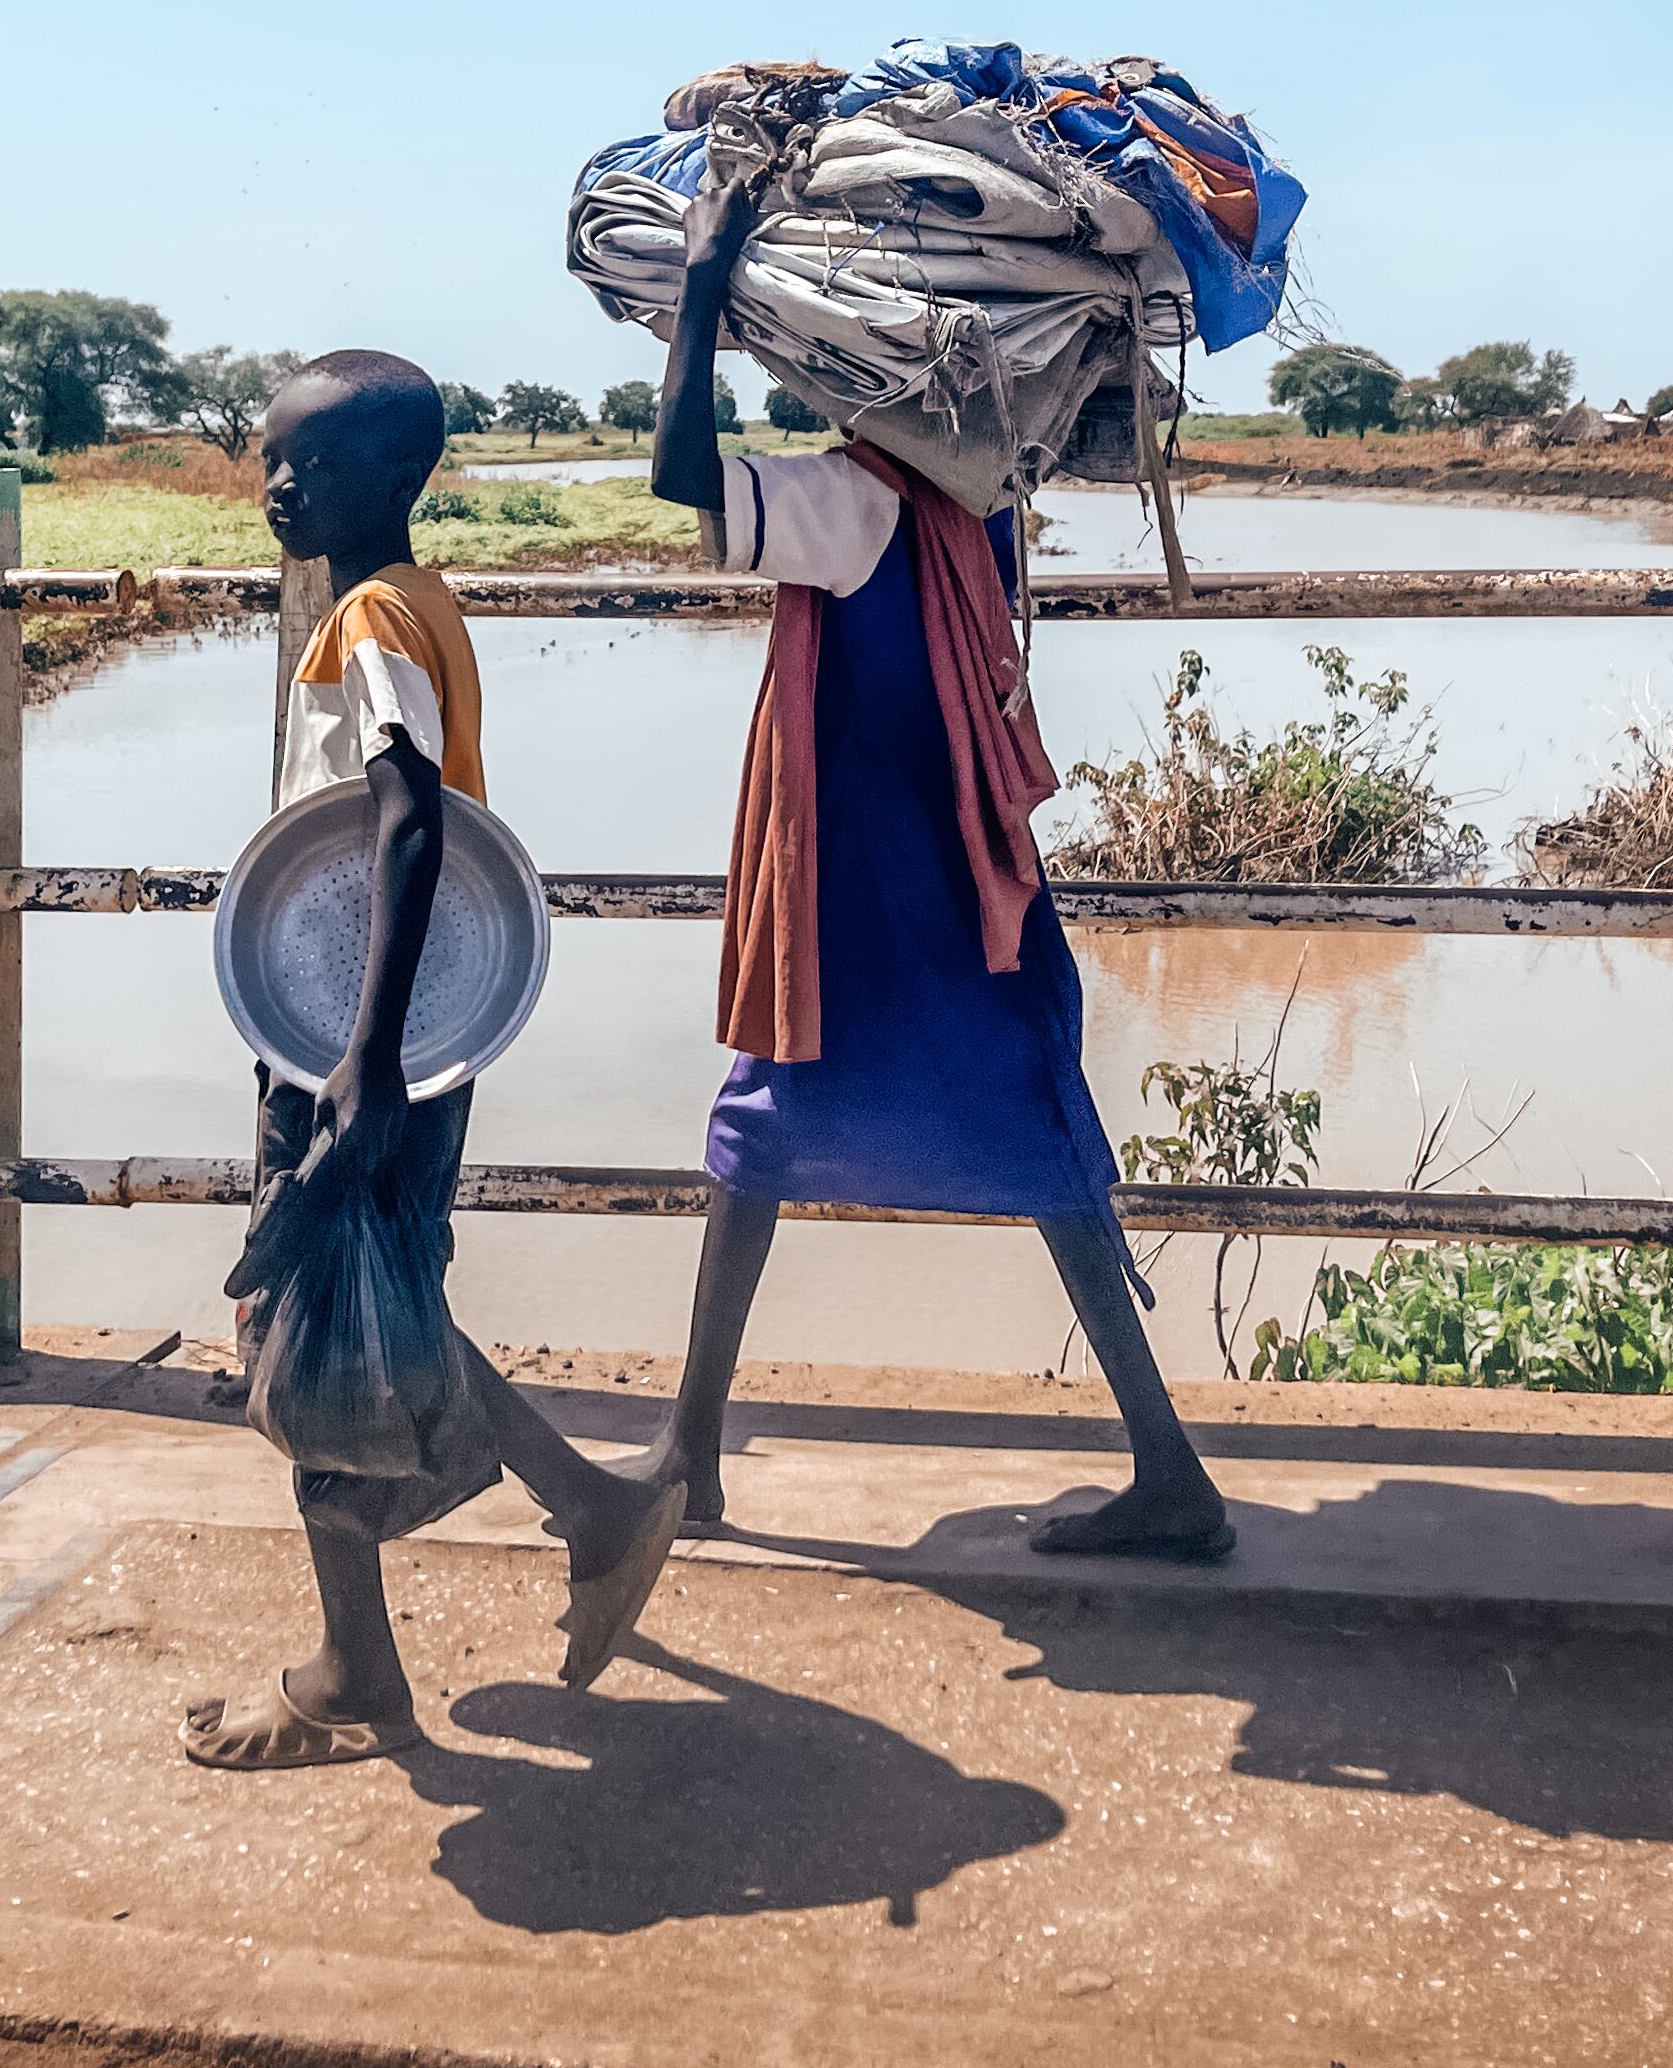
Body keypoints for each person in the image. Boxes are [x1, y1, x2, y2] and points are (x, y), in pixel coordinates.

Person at [631, 180, 1231, 1559]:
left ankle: (693, 1450)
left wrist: (712, 280)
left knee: (775, 1126)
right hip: (950, 866)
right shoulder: (982, 497)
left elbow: (682, 482)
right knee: (919, 1129)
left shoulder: (855, 501)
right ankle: (692, 1446)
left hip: (874, 887)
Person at [181, 350, 686, 1770]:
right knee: (370, 1295)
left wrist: (358, 1059)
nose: (283, 483)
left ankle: (357, 1667)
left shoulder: (362, 623)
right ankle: (585, 1503)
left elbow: (404, 819)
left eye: (317, 464)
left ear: (398, 478)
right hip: (400, 1030)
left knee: (305, 1315)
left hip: (364, 1038)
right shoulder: (426, 602)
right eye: (270, 457)